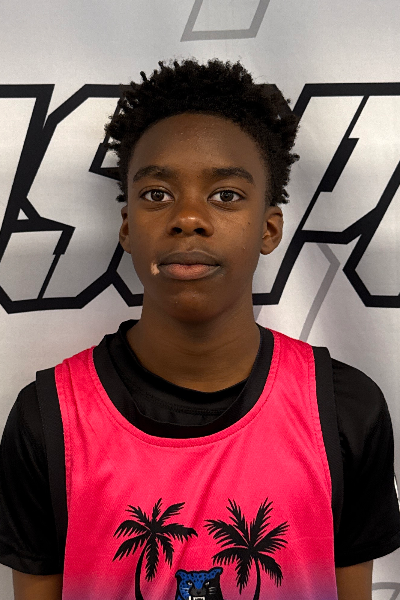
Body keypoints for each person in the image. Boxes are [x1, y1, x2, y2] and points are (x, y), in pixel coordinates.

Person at [1, 58, 399, 600]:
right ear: (127, 227)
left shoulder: (345, 409)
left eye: (225, 195)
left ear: (269, 228)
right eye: (157, 194)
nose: (188, 217)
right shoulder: (48, 419)